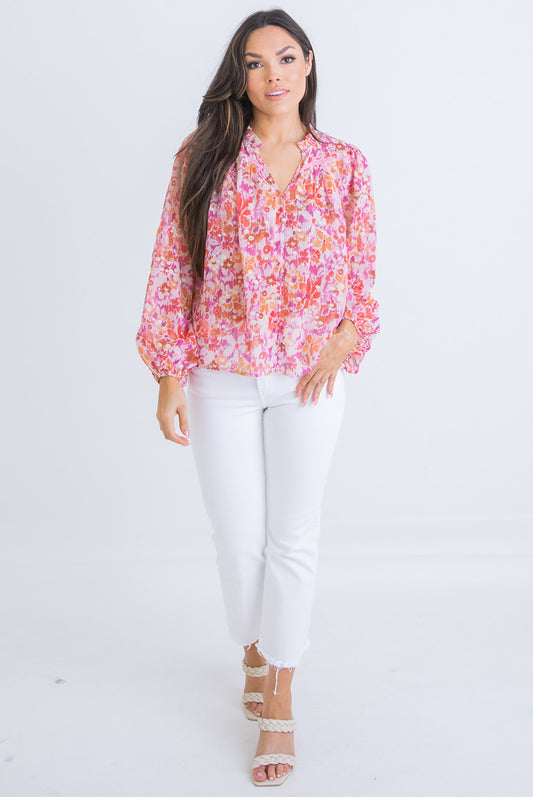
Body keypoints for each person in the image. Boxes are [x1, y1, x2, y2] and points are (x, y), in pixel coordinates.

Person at [136, 8, 380, 787]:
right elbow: (172, 264)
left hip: (310, 377)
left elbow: (362, 276)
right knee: (239, 540)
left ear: (307, 64)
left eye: (284, 57)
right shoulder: (203, 157)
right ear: (239, 77)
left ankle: (279, 692)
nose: (272, 74)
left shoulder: (343, 164)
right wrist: (168, 372)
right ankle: (252, 642)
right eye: (253, 62)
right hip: (220, 372)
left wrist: (346, 338)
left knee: (292, 538)